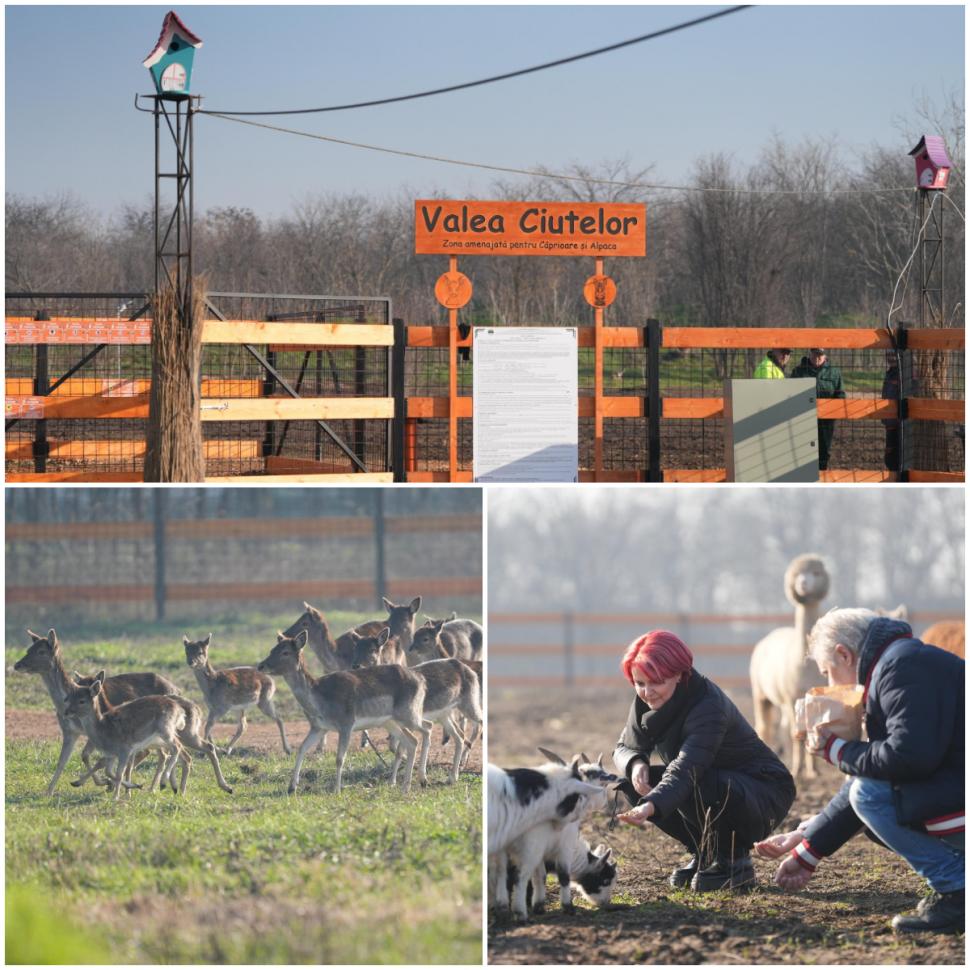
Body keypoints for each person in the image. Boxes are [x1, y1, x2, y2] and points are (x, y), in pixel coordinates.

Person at [756, 609, 964, 935]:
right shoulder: (900, 662)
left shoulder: (899, 669)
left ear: (844, 654)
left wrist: (835, 749)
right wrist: (808, 848)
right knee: (870, 797)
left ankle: (957, 890)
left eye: (828, 672)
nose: (829, 684)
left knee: (870, 797)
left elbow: (906, 759)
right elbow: (879, 775)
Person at [613, 630, 796, 891]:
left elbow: (687, 769)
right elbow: (624, 746)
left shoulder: (708, 705)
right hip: (709, 780)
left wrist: (650, 805)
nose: (647, 692)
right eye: (639, 683)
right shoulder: (647, 698)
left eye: (656, 681)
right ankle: (705, 855)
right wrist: (635, 764)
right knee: (632, 784)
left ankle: (734, 863)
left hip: (764, 791)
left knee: (695, 785)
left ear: (678, 673)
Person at [791, 348, 846, 471]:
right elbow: (790, 394)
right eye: (815, 354)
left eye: (820, 354)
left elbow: (841, 395)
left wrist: (833, 410)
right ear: (810, 353)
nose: (817, 357)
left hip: (826, 422)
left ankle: (821, 477)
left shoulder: (834, 372)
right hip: (803, 421)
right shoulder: (799, 371)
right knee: (802, 453)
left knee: (823, 453)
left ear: (825, 355)